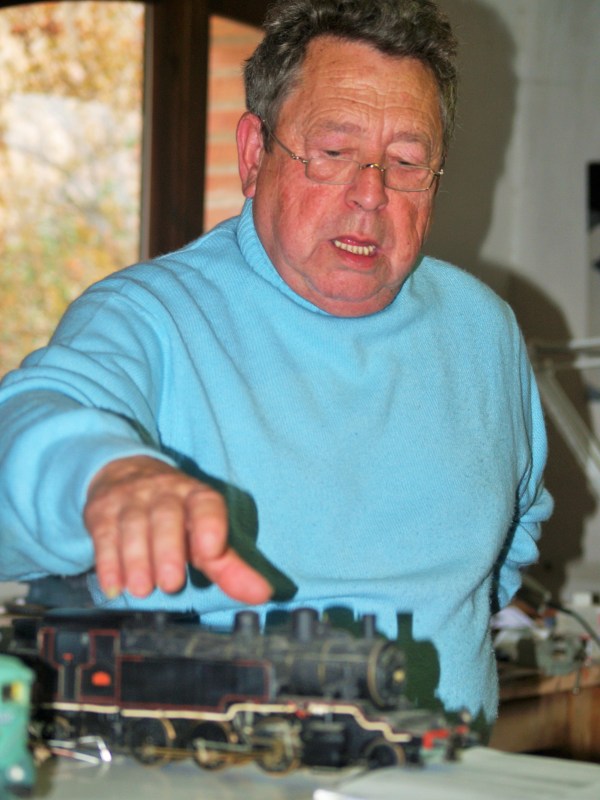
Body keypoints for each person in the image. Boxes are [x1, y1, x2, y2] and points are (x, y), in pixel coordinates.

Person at [0, 0, 552, 732]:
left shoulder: (485, 328)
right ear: (254, 154)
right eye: (332, 151)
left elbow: (513, 532)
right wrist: (109, 474)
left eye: (408, 162)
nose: (370, 193)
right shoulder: (150, 317)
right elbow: (35, 417)